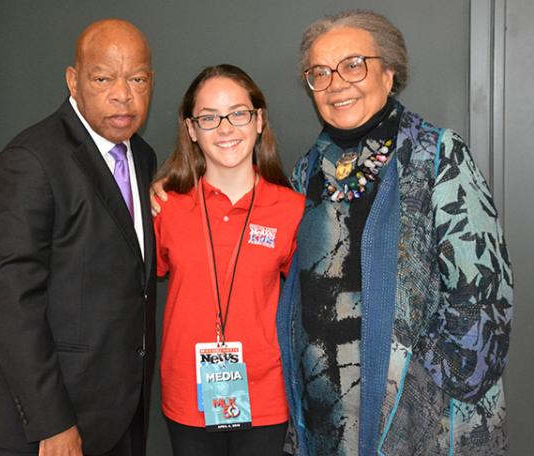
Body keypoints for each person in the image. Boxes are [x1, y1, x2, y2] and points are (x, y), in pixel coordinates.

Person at [275, 10, 513, 456]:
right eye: (320, 73)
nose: (336, 83)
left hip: (416, 415)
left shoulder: (439, 156)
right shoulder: (308, 171)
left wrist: (420, 379)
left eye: (353, 64)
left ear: (388, 73)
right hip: (326, 413)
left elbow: (484, 298)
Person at [0, 19, 157, 456]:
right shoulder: (30, 161)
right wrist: (53, 422)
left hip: (115, 417)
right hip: (39, 430)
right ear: (73, 80)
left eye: (137, 78)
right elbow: (9, 302)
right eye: (103, 78)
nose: (123, 94)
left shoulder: (140, 155)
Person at [152, 64, 304, 456]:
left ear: (258, 121)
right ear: (191, 130)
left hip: (267, 395)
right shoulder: (165, 206)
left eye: (238, 113)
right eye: (209, 117)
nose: (225, 128)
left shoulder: (292, 209)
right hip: (188, 394)